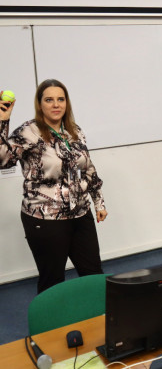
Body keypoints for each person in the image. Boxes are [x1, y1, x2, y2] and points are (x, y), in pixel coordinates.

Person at [0, 79, 108, 293]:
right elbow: (3, 160)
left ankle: (97, 314)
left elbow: (88, 168)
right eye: (49, 100)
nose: (56, 104)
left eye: (61, 99)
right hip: (45, 219)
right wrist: (3, 121)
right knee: (52, 281)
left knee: (93, 274)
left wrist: (99, 202)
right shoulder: (28, 132)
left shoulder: (74, 131)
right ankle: (49, 316)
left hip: (80, 214)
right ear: (40, 104)